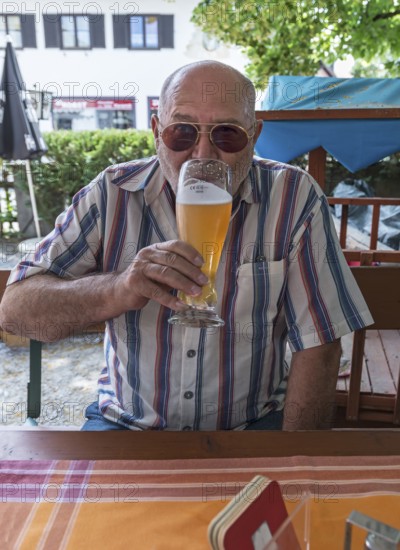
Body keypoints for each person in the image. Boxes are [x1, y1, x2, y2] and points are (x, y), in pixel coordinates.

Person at [0, 61, 373, 431]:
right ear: (157, 131)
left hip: (253, 423)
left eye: (227, 134)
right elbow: (16, 311)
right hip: (126, 423)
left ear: (254, 136)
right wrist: (118, 288)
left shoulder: (293, 197)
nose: (203, 155)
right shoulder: (112, 194)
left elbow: (319, 343)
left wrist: (291, 463)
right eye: (183, 132)